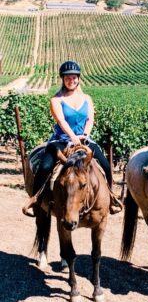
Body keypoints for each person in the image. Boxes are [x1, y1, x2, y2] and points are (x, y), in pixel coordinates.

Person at [23, 60, 122, 216]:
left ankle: (111, 198)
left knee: (106, 166)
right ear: (63, 79)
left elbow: (90, 119)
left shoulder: (87, 98)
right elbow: (61, 121)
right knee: (45, 167)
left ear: (78, 78)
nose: (71, 80)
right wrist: (72, 137)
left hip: (84, 140)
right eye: (68, 78)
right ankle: (36, 199)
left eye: (74, 77)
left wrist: (85, 135)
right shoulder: (56, 100)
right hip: (61, 140)